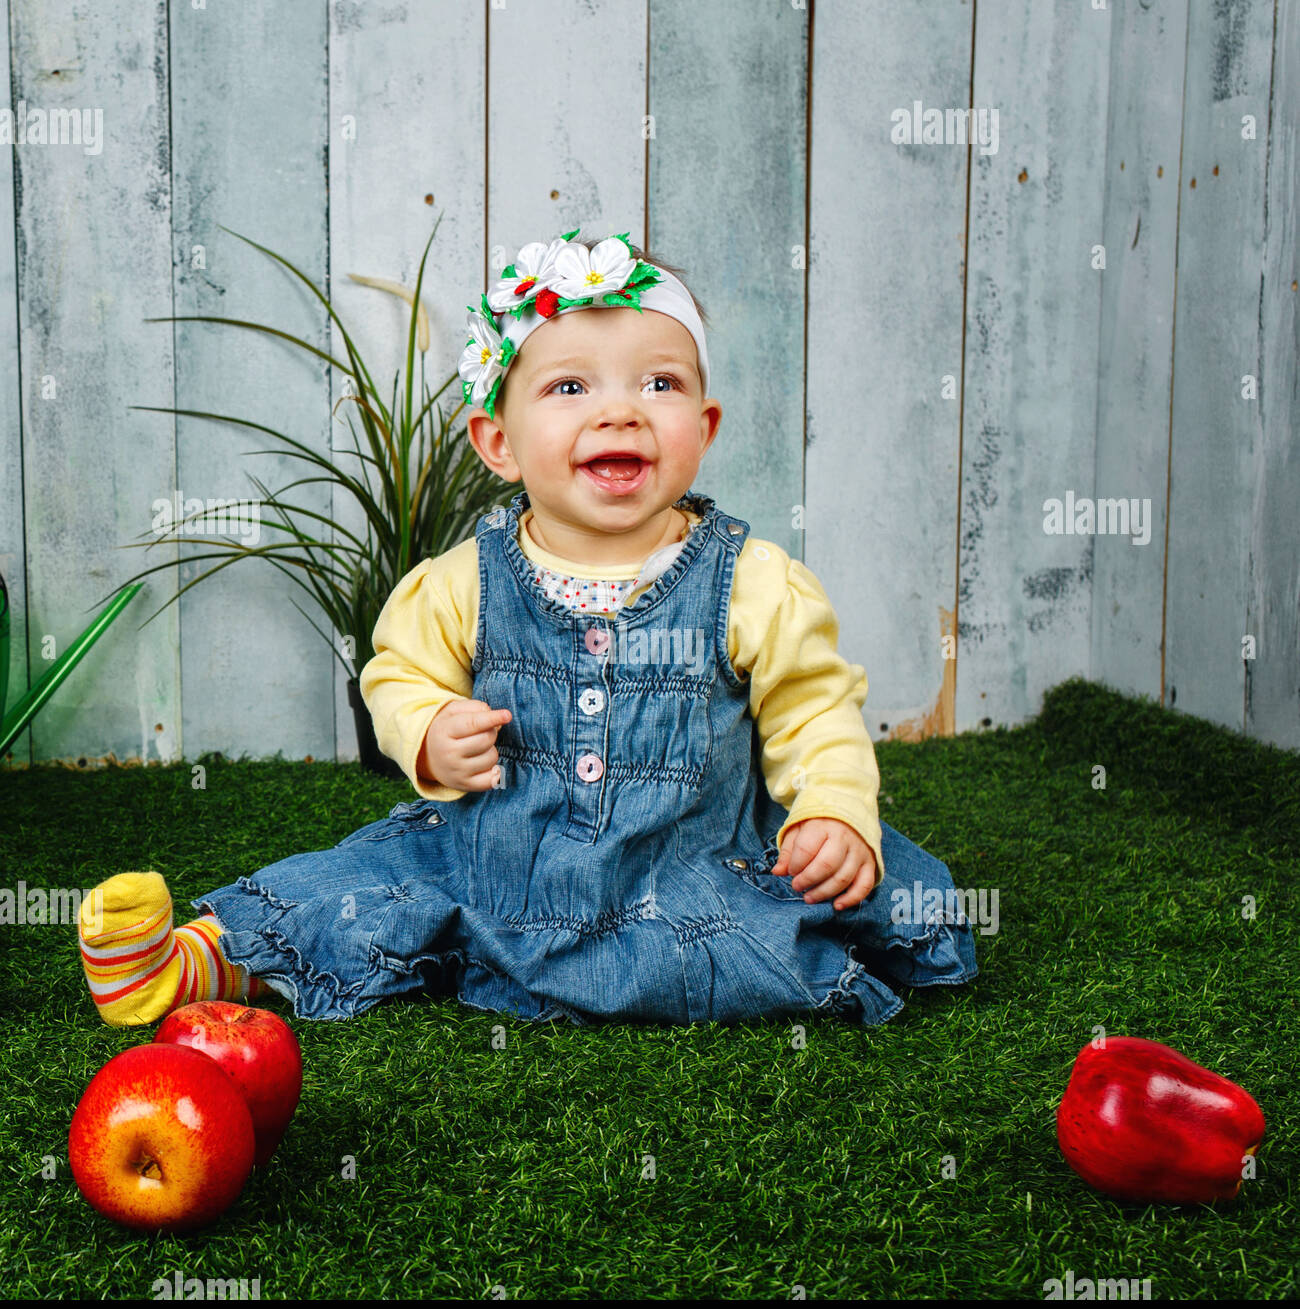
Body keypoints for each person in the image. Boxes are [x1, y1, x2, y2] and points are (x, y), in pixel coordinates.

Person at [78, 228, 977, 1030]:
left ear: (702, 428)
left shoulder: (754, 581)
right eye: (570, 386)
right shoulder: (464, 580)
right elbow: (397, 674)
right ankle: (202, 962)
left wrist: (832, 811)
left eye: (659, 383)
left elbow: (814, 712)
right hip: (493, 862)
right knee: (361, 890)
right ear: (498, 442)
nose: (618, 410)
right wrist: (428, 731)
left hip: (695, 870)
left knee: (873, 895)